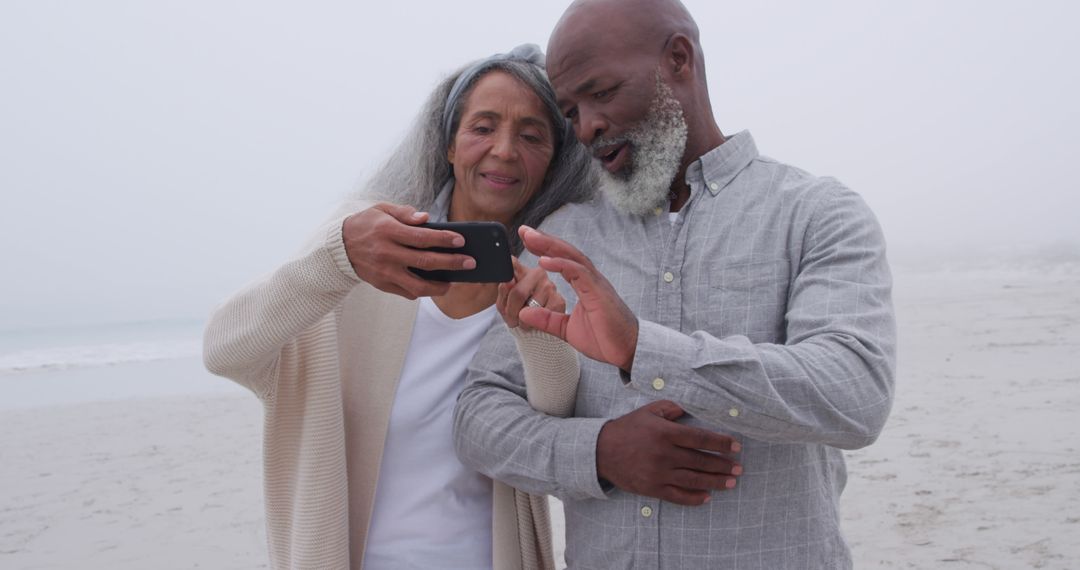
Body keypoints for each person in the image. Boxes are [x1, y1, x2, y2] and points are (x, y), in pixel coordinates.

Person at [452, 1, 897, 568]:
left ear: (679, 59)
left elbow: (854, 396)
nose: (587, 127)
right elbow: (478, 415)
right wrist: (598, 452)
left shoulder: (817, 214)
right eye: (570, 111)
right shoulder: (561, 237)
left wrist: (644, 349)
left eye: (602, 93)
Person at [203, 44, 594, 569]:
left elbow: (555, 418)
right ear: (449, 145)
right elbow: (224, 349)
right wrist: (337, 258)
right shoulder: (359, 251)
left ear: (551, 163)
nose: (504, 150)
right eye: (482, 127)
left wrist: (539, 331)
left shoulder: (549, 274)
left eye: (531, 136)